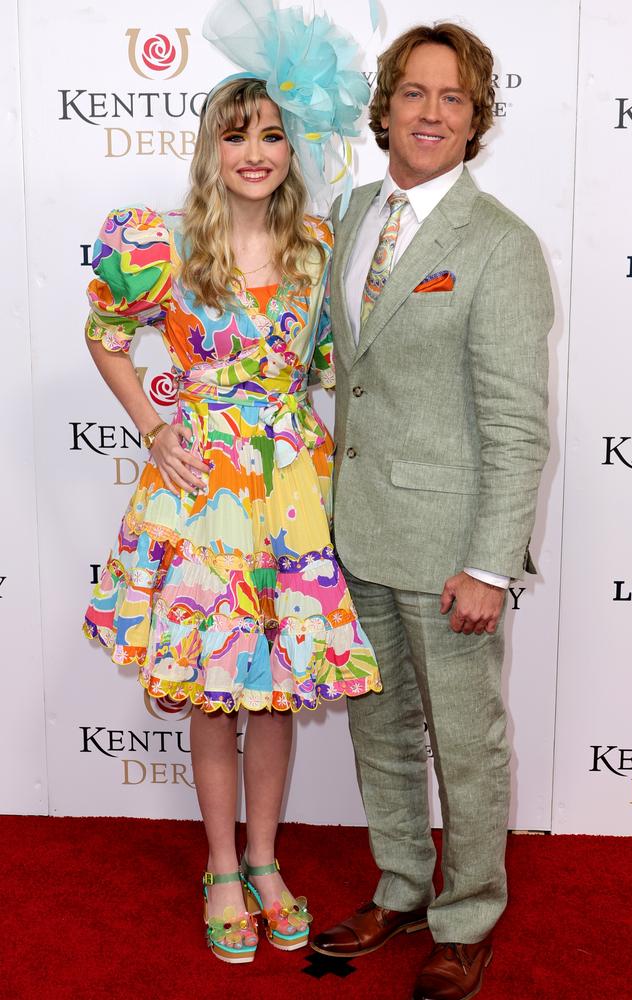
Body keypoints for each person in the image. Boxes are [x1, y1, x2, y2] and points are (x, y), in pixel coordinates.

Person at [82, 3, 379, 965]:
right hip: (200, 496)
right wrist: (155, 423)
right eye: (236, 134)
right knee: (215, 695)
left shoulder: (322, 252)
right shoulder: (159, 244)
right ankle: (218, 865)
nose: (255, 152)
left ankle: (265, 860)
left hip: (289, 495)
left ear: (296, 148)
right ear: (210, 147)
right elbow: (104, 334)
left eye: (273, 135)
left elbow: (337, 366)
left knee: (275, 696)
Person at [311, 23, 554, 1000]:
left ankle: (464, 919)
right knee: (377, 731)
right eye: (413, 93)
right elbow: (344, 370)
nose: (430, 112)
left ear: (475, 117)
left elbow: (514, 419)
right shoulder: (352, 210)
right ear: (384, 108)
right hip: (355, 529)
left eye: (452, 98)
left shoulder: (499, 246)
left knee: (465, 744)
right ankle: (402, 885)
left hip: (450, 548)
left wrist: (490, 564)